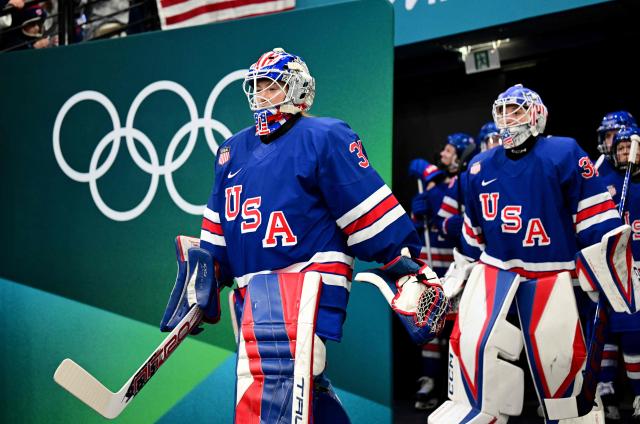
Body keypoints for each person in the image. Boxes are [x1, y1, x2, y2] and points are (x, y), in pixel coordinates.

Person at [159, 48, 448, 423]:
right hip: (250, 295)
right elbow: (218, 233)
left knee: (269, 394)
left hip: (301, 287)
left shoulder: (324, 136)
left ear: (300, 91)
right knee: (302, 387)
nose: (262, 95)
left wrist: (408, 268)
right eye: (257, 86)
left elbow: (367, 212)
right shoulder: (230, 151)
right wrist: (206, 276)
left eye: (272, 85)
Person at [429, 84, 638, 423]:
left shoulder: (563, 152)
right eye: (504, 111)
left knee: (561, 375)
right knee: (474, 355)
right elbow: (471, 235)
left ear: (537, 115)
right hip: (495, 273)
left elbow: (596, 223)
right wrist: (456, 278)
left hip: (552, 274)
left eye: (518, 110)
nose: (509, 119)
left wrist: (608, 273)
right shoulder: (480, 167)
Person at [408, 133, 477, 411]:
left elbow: (449, 221)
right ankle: (431, 381)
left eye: (449, 149)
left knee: (460, 328)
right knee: (430, 325)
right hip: (431, 263)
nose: (443, 153)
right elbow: (425, 226)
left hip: (456, 266)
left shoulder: (464, 182)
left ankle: (460, 384)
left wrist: (431, 176)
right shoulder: (437, 185)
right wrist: (417, 213)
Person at [595, 125, 640, 422]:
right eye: (620, 148)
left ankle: (638, 394)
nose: (625, 153)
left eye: (630, 148)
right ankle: (606, 392)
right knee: (605, 331)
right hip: (612, 268)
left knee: (634, 335)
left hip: (637, 269)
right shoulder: (603, 181)